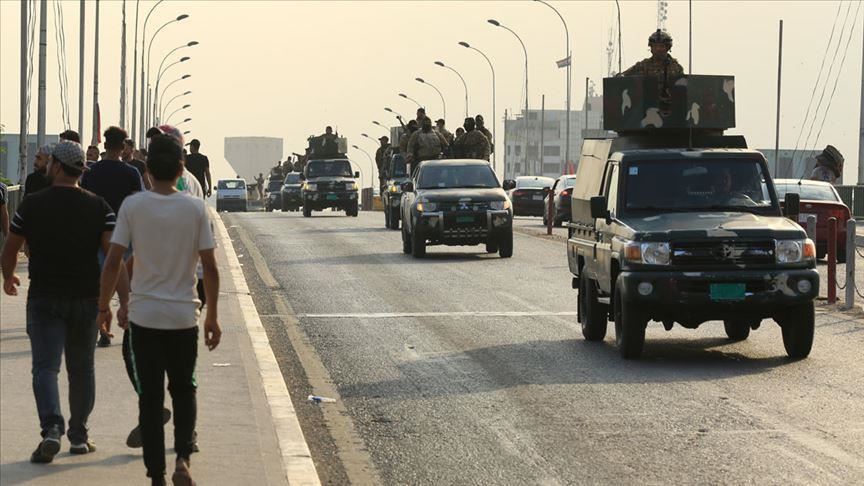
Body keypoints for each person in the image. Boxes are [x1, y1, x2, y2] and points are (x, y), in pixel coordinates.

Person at [97, 134, 220, 486]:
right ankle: (182, 459)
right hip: (184, 317)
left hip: (144, 318)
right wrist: (212, 316)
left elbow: (114, 262)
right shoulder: (196, 209)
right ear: (181, 168)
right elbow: (209, 268)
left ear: (147, 169)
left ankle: (156, 477)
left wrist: (104, 307)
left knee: (150, 398)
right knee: (185, 388)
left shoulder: (133, 207)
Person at [1, 140, 129, 463]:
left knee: (45, 367)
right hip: (86, 299)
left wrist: (8, 276)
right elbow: (115, 258)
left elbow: (10, 248)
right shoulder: (99, 207)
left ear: (56, 166)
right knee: (82, 369)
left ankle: (51, 429)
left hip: (44, 297)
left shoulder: (31, 204)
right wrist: (117, 302)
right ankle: (79, 436)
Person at [81, 126, 144, 347]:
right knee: (128, 283)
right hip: (124, 234)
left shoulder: (91, 172)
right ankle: (131, 326)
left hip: (97, 234)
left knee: (102, 283)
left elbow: (85, 202)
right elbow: (138, 204)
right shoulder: (131, 173)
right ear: (123, 147)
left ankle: (103, 330)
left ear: (105, 146)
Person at [621, 29, 684, 99]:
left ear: (667, 48)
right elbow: (624, 76)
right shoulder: (643, 66)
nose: (658, 49)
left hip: (671, 107)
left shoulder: (676, 68)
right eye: (655, 46)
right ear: (651, 48)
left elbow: (682, 89)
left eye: (661, 46)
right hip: (648, 106)